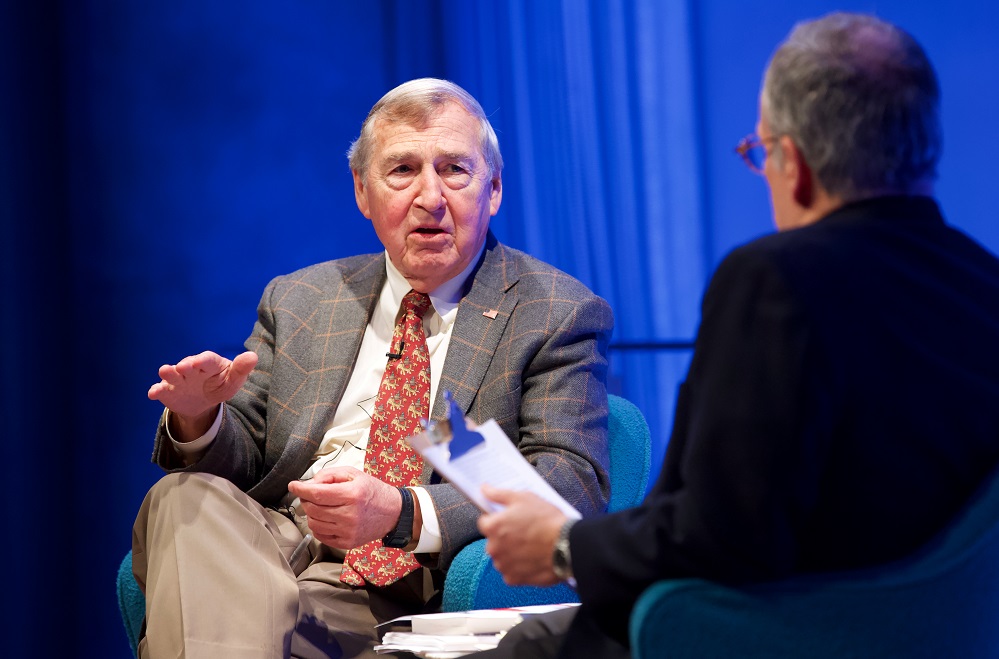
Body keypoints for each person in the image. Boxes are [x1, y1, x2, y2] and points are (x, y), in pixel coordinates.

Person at [471, 12, 999, 658]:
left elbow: (726, 533)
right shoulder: (984, 286)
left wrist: (561, 544)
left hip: (752, 635)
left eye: (758, 153)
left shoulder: (777, 279)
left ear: (794, 163)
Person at [131, 77, 614, 658]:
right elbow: (248, 458)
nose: (430, 196)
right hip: (267, 550)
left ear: (494, 190)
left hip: (404, 587)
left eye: (455, 169)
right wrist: (200, 419)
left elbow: (571, 482)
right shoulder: (301, 298)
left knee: (193, 625)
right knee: (182, 497)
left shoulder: (553, 311)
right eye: (402, 170)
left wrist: (403, 512)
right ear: (363, 193)